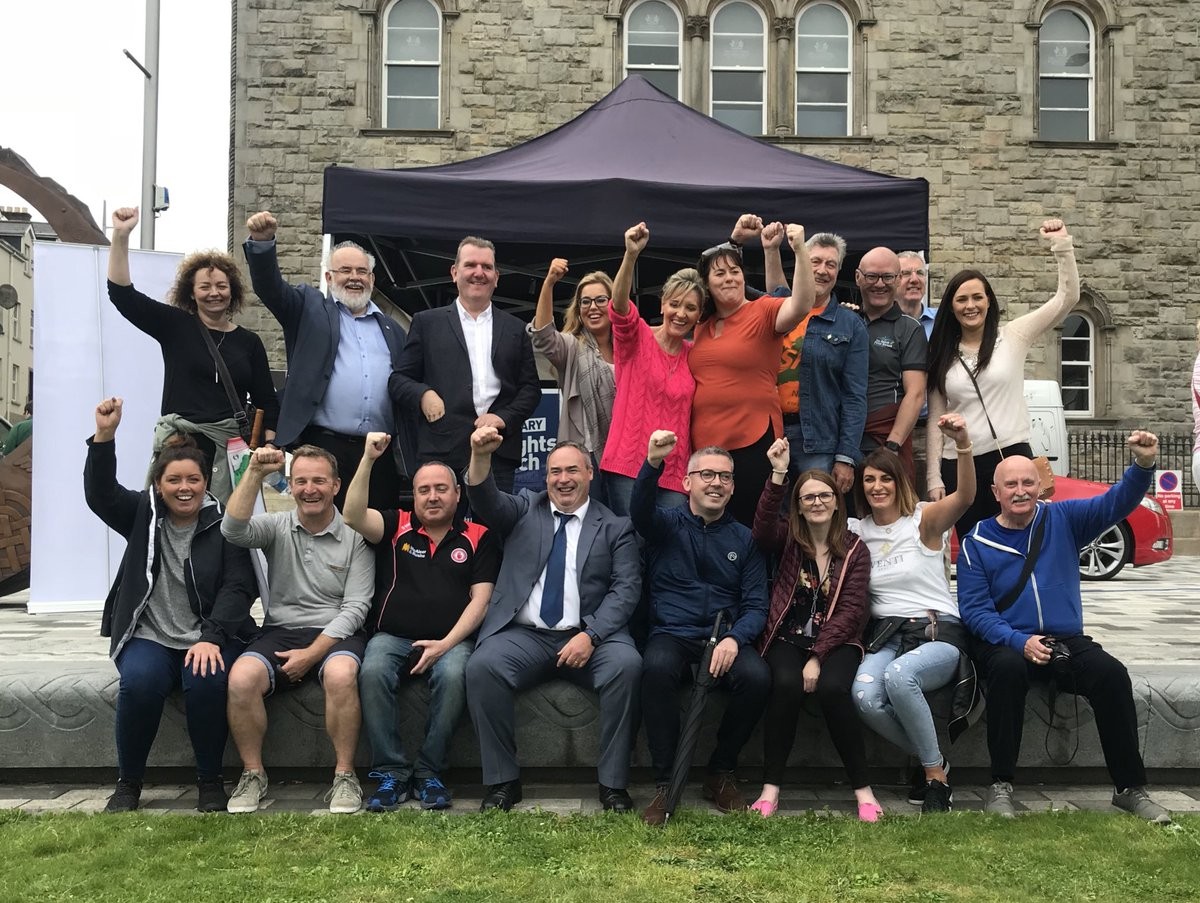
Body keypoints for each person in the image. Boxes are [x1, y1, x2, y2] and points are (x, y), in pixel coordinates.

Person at [957, 432, 1172, 824]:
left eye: (1027, 483)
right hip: (1006, 639)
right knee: (1005, 671)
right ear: (996, 491)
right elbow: (974, 612)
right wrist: (1018, 641)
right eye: (1011, 485)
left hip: (1065, 638)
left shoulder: (1064, 519)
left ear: (1039, 486)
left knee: (1111, 675)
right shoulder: (977, 541)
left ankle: (1129, 788)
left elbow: (1115, 504)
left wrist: (1142, 466)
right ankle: (1001, 784)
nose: (1020, 491)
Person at [85, 396, 257, 813]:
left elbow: (240, 587)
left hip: (209, 636)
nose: (185, 488)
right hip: (150, 635)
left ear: (205, 482)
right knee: (140, 684)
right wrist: (104, 437)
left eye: (193, 480)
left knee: (206, 682)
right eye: (174, 480)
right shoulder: (142, 513)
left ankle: (209, 780)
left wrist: (213, 638)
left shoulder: (224, 523)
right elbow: (101, 495)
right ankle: (128, 785)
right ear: (158, 484)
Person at [464, 427, 642, 812]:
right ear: (545, 477)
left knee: (627, 666)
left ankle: (613, 786)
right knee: (482, 667)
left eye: (572, 471)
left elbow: (626, 590)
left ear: (590, 473)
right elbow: (484, 499)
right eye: (555, 471)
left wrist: (591, 635)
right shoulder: (525, 509)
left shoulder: (615, 526)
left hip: (591, 637)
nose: (563, 479)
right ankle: (502, 783)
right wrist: (480, 456)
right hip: (526, 636)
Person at [344, 433, 500, 811]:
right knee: (372, 670)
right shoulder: (395, 525)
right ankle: (390, 774)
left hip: (453, 641)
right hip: (392, 637)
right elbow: (351, 514)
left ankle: (430, 771)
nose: (433, 496)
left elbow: (481, 600)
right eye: (424, 490)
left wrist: (446, 644)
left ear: (458, 494)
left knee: (453, 674)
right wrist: (367, 459)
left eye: (441, 489)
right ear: (413, 496)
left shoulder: (479, 536)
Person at [221, 445, 374, 814]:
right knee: (240, 678)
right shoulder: (276, 527)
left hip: (335, 631)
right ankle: (253, 774)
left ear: (336, 486)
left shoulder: (356, 536)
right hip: (281, 629)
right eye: (301, 481)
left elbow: (356, 609)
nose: (310, 489)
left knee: (340, 674)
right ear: (289, 486)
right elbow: (232, 529)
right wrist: (254, 473)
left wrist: (311, 655)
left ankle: (344, 776)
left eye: (319, 480)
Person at [633, 431, 770, 825]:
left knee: (757, 678)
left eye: (725, 477)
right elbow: (640, 511)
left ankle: (720, 771)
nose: (716, 483)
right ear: (687, 482)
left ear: (732, 487)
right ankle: (665, 783)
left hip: (724, 635)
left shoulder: (745, 539)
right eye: (707, 474)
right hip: (672, 633)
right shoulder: (665, 524)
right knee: (655, 669)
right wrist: (652, 462)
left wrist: (734, 637)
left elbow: (757, 605)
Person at [850, 413, 977, 813]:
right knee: (864, 696)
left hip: (936, 631)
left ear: (899, 481)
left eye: (885, 478)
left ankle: (936, 781)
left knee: (899, 677)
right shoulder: (856, 530)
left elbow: (966, 498)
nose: (877, 486)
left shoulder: (922, 519)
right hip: (886, 635)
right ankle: (935, 760)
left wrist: (964, 445)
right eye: (869, 479)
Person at [108, 207, 279, 502]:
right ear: (191, 293)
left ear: (232, 291)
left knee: (224, 528)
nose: (214, 292)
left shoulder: (249, 342)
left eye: (221, 286)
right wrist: (121, 236)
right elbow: (122, 295)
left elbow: (267, 400)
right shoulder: (176, 326)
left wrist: (269, 445)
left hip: (230, 452)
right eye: (205, 286)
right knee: (174, 520)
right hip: (180, 447)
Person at [243, 211, 410, 511]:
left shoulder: (394, 330)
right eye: (345, 270)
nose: (354, 277)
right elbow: (270, 289)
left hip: (379, 452)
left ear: (372, 278)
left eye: (361, 271)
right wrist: (263, 243)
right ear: (329, 277)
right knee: (321, 532)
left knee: (375, 535)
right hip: (323, 446)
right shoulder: (308, 309)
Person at [749, 440, 881, 821]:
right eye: (807, 498)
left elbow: (852, 610)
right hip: (787, 636)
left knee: (833, 688)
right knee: (785, 685)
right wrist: (778, 475)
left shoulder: (856, 550)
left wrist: (818, 656)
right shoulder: (789, 539)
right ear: (799, 506)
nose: (817, 502)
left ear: (837, 501)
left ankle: (863, 791)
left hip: (838, 641)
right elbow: (760, 529)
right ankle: (770, 788)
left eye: (824, 495)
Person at [926, 219, 1080, 536]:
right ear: (951, 308)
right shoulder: (941, 352)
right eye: (962, 299)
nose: (971, 305)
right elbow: (935, 419)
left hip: (1010, 457)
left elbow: (1067, 297)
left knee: (1023, 543)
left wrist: (1062, 245)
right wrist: (934, 476)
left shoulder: (1013, 336)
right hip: (960, 465)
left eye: (977, 297)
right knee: (975, 543)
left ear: (989, 301)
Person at [390, 236, 541, 494]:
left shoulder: (516, 328)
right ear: (454, 272)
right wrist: (423, 394)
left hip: (498, 451)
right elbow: (399, 380)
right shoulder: (426, 323)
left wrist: (503, 418)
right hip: (442, 452)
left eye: (487, 267)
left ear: (496, 276)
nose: (479, 273)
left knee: (495, 532)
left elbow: (530, 389)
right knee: (443, 532)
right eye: (471, 265)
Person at [690, 215, 815, 525]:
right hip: (707, 443)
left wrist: (799, 251)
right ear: (706, 284)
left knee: (752, 525)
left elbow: (800, 304)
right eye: (719, 274)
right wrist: (734, 241)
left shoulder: (762, 310)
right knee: (710, 524)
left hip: (753, 439)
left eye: (735, 271)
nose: (729, 278)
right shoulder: (701, 325)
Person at [599, 223, 703, 515]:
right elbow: (618, 307)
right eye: (675, 304)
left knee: (668, 550)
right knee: (630, 547)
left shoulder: (695, 354)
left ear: (699, 315)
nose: (681, 313)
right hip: (628, 464)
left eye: (691, 308)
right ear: (662, 305)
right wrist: (630, 255)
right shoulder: (638, 337)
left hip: (674, 473)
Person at [774, 232, 868, 492]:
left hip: (820, 443)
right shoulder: (777, 308)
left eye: (831, 264)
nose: (822, 270)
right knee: (770, 520)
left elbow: (854, 397)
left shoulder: (851, 325)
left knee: (819, 520)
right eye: (814, 261)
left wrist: (846, 457)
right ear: (801, 263)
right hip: (770, 435)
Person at [530, 260, 616, 504]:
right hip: (586, 457)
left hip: (623, 457)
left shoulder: (630, 348)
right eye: (585, 302)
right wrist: (549, 284)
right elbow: (543, 336)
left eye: (601, 300)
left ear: (614, 304)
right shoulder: (571, 346)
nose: (593, 307)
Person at [854, 246, 927, 483]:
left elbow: (915, 394)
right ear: (858, 278)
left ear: (897, 281)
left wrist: (892, 445)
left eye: (887, 277)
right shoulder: (845, 320)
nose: (879, 284)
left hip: (884, 437)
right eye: (872, 276)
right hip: (842, 437)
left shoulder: (909, 328)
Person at [896, 252, 935, 340]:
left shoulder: (942, 320)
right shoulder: (881, 324)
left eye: (920, 273)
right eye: (906, 273)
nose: (914, 279)